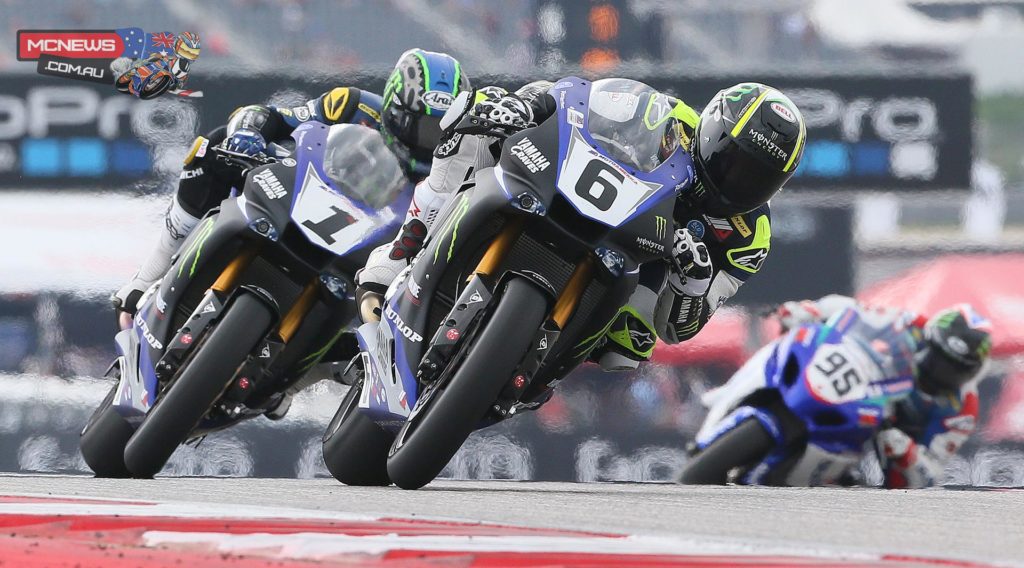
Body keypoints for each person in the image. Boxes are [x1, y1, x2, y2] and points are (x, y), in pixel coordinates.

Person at [355, 80, 807, 370]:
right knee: (475, 128)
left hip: (644, 259)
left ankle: (538, 361)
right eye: (731, 159)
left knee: (626, 350)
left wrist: (693, 284)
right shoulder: (670, 118)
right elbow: (572, 95)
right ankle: (405, 250)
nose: (735, 181)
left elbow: (681, 329)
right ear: (712, 129)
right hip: (589, 201)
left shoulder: (751, 239)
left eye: (756, 179)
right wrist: (524, 107)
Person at [113, 48, 471, 320]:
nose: (428, 142)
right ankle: (151, 273)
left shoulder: (456, 164)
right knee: (214, 145)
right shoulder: (351, 104)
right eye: (420, 127)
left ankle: (321, 371)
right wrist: (249, 134)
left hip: (366, 252)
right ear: (395, 109)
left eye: (440, 132)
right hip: (306, 201)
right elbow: (273, 117)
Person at [776, 295, 992, 488]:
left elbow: (932, 470)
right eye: (938, 358)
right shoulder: (911, 324)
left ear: (973, 371)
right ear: (929, 340)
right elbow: (856, 310)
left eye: (956, 368)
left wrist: (906, 452)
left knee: (858, 479)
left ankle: (821, 473)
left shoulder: (963, 407)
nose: (941, 371)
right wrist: (816, 309)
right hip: (859, 386)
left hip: (879, 434)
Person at [112, 32, 201, 99]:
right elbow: (156, 56)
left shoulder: (185, 71)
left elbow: (181, 82)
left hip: (161, 83)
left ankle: (144, 79)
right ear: (177, 46)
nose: (187, 55)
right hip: (150, 69)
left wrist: (178, 86)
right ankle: (130, 69)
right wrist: (149, 60)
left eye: (192, 53)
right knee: (144, 64)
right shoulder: (167, 57)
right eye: (185, 50)